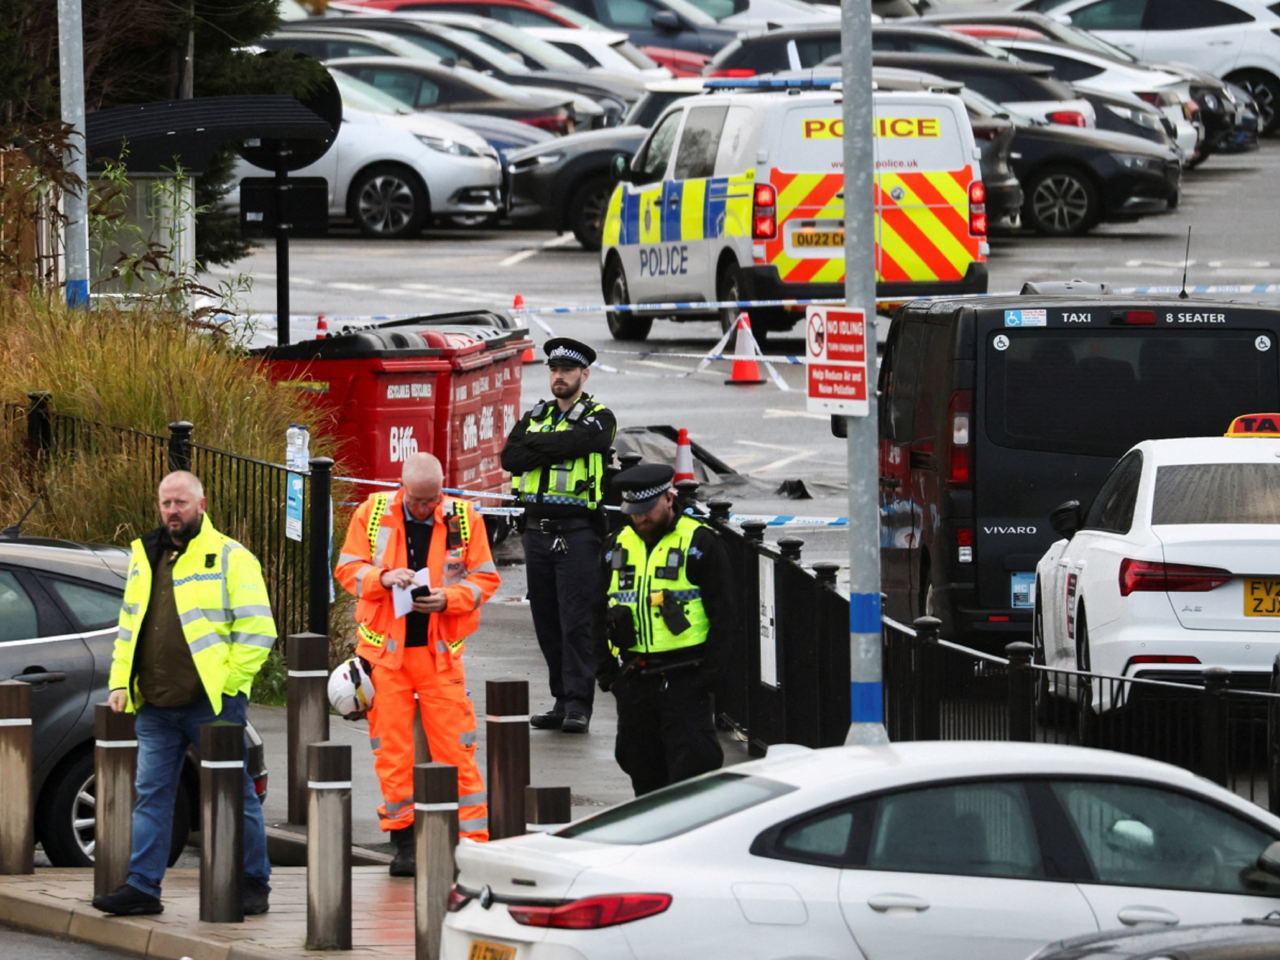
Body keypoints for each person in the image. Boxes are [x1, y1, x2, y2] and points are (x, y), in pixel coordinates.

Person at [93, 471, 276, 917]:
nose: (172, 511)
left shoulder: (230, 556)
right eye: (166, 503)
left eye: (181, 503)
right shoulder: (146, 554)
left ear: (202, 504)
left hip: (210, 703)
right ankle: (142, 887)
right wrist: (119, 682)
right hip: (155, 703)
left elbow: (258, 629)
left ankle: (253, 881)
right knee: (151, 796)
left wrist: (228, 685)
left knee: (234, 794)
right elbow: (129, 624)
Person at [335, 452, 499, 876]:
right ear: (401, 488)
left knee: (457, 750)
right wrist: (383, 578)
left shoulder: (464, 518)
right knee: (392, 753)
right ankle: (405, 841)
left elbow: (485, 578)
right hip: (385, 657)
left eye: (432, 500)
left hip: (439, 656)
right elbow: (347, 569)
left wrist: (448, 599)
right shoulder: (372, 513)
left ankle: (474, 843)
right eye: (417, 501)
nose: (425, 508)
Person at [595, 463, 733, 796]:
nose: (640, 518)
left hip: (686, 678)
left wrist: (707, 680)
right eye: (633, 511)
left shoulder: (699, 543)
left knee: (692, 776)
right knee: (641, 771)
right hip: (634, 680)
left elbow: (726, 617)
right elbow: (594, 611)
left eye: (647, 509)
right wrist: (608, 675)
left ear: (669, 499)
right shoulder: (616, 545)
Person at [501, 337, 615, 735]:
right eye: (554, 369)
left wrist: (537, 445)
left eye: (567, 370)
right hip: (536, 533)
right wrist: (554, 446)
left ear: (584, 374)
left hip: (577, 533)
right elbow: (510, 457)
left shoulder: (600, 417)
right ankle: (561, 700)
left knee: (577, 622)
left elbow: (584, 441)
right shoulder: (535, 415)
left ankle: (579, 705)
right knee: (547, 621)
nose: (559, 376)